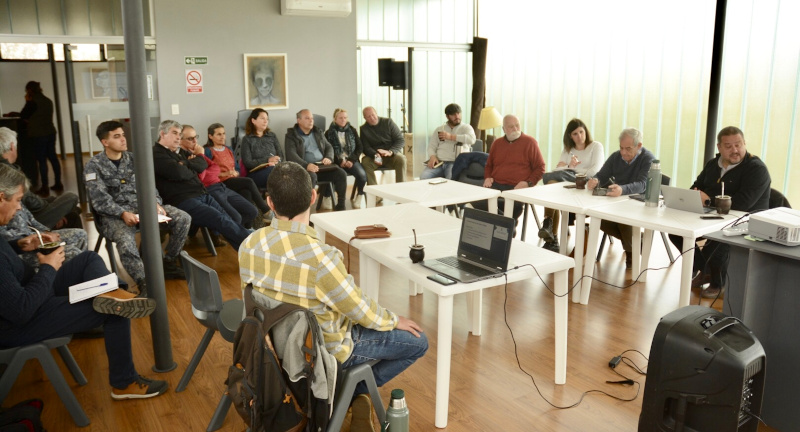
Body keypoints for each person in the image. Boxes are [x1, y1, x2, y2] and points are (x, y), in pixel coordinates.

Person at [239, 162, 427, 432]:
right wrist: (394, 320)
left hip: (269, 348)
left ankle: (350, 393)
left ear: (269, 202)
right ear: (314, 196)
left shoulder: (248, 245)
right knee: (419, 342)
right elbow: (359, 310)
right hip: (320, 352)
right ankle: (349, 393)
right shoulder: (321, 258)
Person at [0, 162, 167, 400]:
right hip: (19, 322)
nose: (19, 208)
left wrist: (18, 245)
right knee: (116, 312)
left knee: (88, 259)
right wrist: (48, 269)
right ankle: (124, 383)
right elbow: (21, 310)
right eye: (17, 200)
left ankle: (114, 293)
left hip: (30, 293)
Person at [86, 121, 190, 295]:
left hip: (144, 209)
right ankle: (144, 283)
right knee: (126, 241)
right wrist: (121, 213)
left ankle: (169, 263)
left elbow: (150, 185)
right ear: (105, 142)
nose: (123, 140)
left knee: (183, 218)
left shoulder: (134, 159)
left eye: (123, 135)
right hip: (115, 216)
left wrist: (155, 202)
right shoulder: (94, 165)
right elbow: (99, 199)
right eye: (116, 136)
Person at [670, 126, 770, 298]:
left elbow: (742, 204)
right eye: (728, 146)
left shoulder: (756, 169)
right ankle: (705, 269)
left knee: (718, 238)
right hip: (713, 215)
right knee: (676, 230)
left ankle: (718, 282)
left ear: (745, 143)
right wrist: (693, 196)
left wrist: (708, 200)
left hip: (747, 220)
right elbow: (696, 186)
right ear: (719, 147)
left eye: (738, 145)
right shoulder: (712, 164)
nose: (735, 150)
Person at [152, 120, 251, 251]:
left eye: (180, 134)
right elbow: (180, 173)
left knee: (228, 219)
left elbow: (203, 164)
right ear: (162, 134)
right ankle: (252, 247)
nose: (178, 137)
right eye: (174, 133)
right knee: (221, 220)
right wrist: (193, 165)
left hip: (201, 193)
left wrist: (187, 163)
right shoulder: (156, 154)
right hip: (183, 200)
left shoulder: (180, 152)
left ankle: (247, 253)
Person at [587, 127, 655, 268]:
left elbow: (643, 185)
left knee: (624, 218)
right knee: (598, 218)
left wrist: (622, 189)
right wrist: (595, 181)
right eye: (621, 148)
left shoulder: (648, 159)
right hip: (619, 200)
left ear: (639, 146)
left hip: (641, 200)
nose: (623, 152)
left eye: (628, 148)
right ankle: (636, 242)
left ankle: (631, 252)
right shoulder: (616, 156)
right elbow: (601, 175)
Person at [538, 118, 605, 251]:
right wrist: (569, 166)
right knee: (551, 185)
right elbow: (557, 170)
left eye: (581, 132)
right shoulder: (568, 150)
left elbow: (594, 171)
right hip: (566, 186)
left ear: (585, 131)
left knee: (551, 186)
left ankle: (551, 233)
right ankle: (550, 228)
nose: (579, 136)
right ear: (570, 136)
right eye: (575, 134)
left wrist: (571, 169)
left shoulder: (596, 146)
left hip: (586, 185)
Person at [0, 127, 81, 230]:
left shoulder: (5, 169)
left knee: (71, 213)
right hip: (30, 220)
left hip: (27, 214)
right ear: (12, 147)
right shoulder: (8, 172)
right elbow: (30, 201)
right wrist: (56, 212)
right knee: (71, 197)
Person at [180, 125, 257, 228]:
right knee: (236, 216)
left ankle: (235, 230)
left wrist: (202, 163)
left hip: (221, 185)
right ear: (180, 140)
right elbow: (201, 177)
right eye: (190, 138)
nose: (195, 141)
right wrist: (201, 156)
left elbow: (215, 168)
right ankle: (237, 231)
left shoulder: (197, 153)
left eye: (195, 137)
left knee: (252, 211)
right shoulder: (197, 153)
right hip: (210, 189)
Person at [473, 114, 545, 223]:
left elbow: (540, 168)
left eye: (517, 125)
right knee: (475, 199)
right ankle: (506, 222)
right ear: (504, 129)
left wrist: (528, 183)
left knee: (512, 205)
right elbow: (489, 165)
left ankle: (504, 223)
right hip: (496, 185)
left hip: (517, 187)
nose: (515, 129)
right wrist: (488, 177)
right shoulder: (497, 143)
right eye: (511, 127)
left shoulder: (530, 142)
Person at [203, 123, 271, 224]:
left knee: (246, 192)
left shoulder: (229, 149)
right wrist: (226, 173)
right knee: (248, 182)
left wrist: (236, 173)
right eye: (219, 134)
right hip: (220, 183)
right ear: (210, 136)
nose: (222, 137)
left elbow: (237, 168)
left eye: (223, 134)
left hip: (233, 180)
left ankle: (247, 227)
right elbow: (206, 174)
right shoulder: (208, 151)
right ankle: (266, 210)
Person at [285, 109, 348, 211]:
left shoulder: (317, 132)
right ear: (299, 120)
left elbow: (329, 147)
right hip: (304, 169)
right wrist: (306, 165)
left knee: (341, 174)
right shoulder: (291, 135)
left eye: (312, 118)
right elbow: (291, 155)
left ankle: (341, 206)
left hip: (322, 167)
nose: (311, 121)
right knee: (312, 177)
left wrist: (328, 157)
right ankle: (306, 210)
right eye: (307, 118)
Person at [0, 204, 87, 269]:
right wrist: (34, 237)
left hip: (34, 239)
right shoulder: (5, 208)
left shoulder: (15, 200)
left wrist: (47, 232)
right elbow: (6, 238)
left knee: (81, 234)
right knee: (74, 253)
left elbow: (32, 220)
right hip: (20, 252)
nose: (19, 206)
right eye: (18, 199)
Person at [19, 81, 62, 196]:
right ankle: (58, 183)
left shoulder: (32, 102)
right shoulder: (48, 101)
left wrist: (27, 101)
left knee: (42, 160)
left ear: (29, 90)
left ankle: (45, 187)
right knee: (53, 158)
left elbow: (24, 115)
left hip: (38, 134)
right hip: (50, 132)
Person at [324, 108, 367, 208]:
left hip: (351, 159)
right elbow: (328, 150)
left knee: (362, 175)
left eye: (345, 118)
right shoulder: (328, 133)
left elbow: (359, 147)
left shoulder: (352, 130)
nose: (343, 120)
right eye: (340, 118)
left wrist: (351, 160)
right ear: (335, 119)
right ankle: (327, 196)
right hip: (336, 161)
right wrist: (339, 160)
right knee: (335, 175)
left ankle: (360, 195)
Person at [421, 103, 475, 180]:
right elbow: (431, 146)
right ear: (447, 116)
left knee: (450, 181)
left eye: (458, 113)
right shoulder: (440, 129)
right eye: (453, 114)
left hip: (455, 163)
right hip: (439, 163)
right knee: (423, 177)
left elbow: (472, 139)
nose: (457, 117)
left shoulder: (466, 127)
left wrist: (451, 137)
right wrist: (432, 157)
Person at [360, 106, 406, 186]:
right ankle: (375, 195)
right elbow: (365, 147)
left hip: (391, 154)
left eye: (373, 115)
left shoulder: (388, 122)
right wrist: (375, 154)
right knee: (365, 162)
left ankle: (401, 188)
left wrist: (390, 152)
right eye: (368, 116)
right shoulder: (363, 129)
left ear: (376, 113)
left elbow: (400, 140)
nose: (372, 118)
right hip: (375, 156)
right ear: (364, 118)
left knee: (401, 159)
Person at [239, 108, 283, 189]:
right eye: (262, 118)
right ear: (253, 120)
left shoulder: (272, 136)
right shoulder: (247, 139)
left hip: (275, 168)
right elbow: (248, 163)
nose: (266, 121)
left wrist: (276, 161)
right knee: (275, 173)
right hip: (256, 174)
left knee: (288, 172)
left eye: (267, 119)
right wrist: (267, 160)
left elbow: (281, 155)